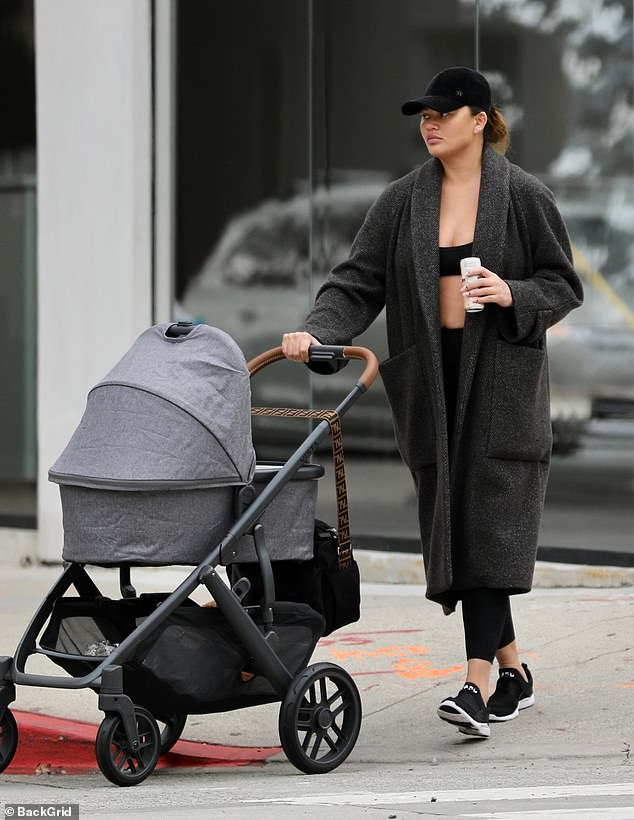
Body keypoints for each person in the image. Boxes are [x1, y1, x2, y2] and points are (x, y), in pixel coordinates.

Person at [281, 66, 583, 738]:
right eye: (424, 115)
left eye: (444, 113)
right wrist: (318, 331)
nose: (431, 124)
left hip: (500, 382)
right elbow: (354, 284)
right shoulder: (399, 203)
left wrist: (514, 295)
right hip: (432, 386)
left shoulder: (525, 196)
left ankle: (475, 685)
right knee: (461, 529)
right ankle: (514, 671)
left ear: (480, 120)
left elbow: (563, 284)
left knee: (485, 525)